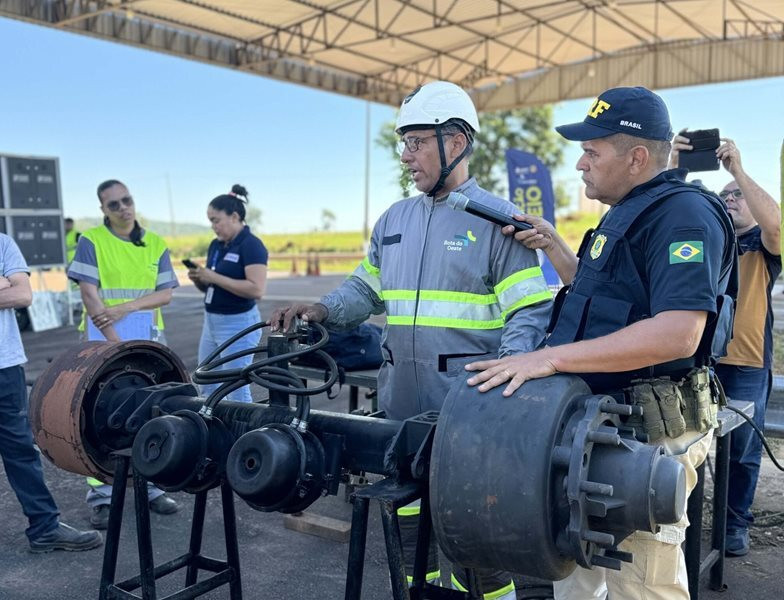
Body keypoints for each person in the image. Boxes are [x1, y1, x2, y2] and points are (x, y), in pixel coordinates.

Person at [272, 81, 553, 599]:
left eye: (417, 142)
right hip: (400, 409)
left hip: (469, 415)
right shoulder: (393, 221)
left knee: (476, 537)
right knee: (406, 531)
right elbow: (365, 288)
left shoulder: (499, 223)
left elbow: (528, 314)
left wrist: (505, 392)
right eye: (404, 144)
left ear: (458, 142)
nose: (406, 156)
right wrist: (321, 310)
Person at [467, 86, 737, 599]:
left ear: (637, 157)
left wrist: (547, 358)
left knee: (641, 582)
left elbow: (679, 331)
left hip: (646, 435)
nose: (579, 164)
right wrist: (554, 245)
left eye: (592, 152)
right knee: (579, 570)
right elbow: (608, 303)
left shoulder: (684, 215)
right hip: (599, 427)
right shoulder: (629, 210)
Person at [671, 135, 781, 557]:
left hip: (747, 364)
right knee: (685, 444)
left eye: (738, 196)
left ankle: (735, 525)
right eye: (724, 196)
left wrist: (737, 171)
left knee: (742, 453)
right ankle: (681, 519)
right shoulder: (708, 242)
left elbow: (775, 225)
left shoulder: (763, 247)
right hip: (701, 362)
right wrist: (677, 166)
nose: (731, 199)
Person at [67, 179, 180, 528]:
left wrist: (126, 309)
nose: (123, 208)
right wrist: (116, 343)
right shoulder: (91, 242)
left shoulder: (156, 244)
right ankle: (101, 496)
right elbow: (90, 295)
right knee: (96, 416)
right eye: (113, 204)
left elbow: (164, 295)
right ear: (103, 210)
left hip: (147, 345)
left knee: (152, 411)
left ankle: (152, 487)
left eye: (126, 200)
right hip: (104, 344)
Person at [0, 228, 101, 555]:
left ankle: (45, 528)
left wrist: (6, 286)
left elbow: (22, 296)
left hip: (3, 367)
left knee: (21, 451)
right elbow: (10, 290)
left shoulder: (0, 243)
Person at [187, 184, 268, 403]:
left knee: (236, 387)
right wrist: (201, 281)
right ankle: (215, 431)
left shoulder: (251, 245)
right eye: (210, 221)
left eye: (216, 220)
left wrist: (213, 277)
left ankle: (243, 435)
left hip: (237, 324)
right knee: (206, 381)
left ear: (234, 217)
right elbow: (215, 286)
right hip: (211, 321)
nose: (213, 227)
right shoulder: (216, 245)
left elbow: (256, 289)